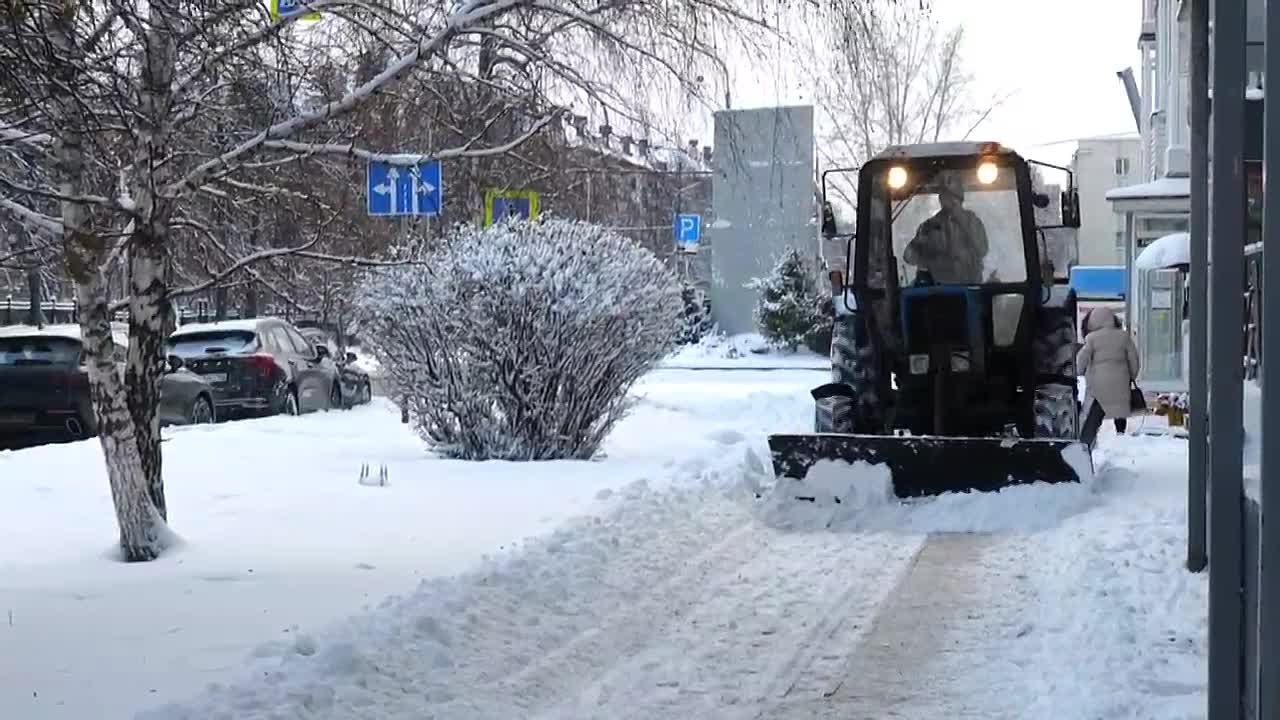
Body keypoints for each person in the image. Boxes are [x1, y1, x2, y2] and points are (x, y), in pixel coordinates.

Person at [902, 172, 990, 284]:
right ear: (941, 198)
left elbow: (982, 249)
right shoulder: (928, 227)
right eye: (945, 195)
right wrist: (919, 242)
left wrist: (962, 221)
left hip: (970, 289)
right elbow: (910, 258)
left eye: (953, 197)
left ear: (960, 198)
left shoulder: (972, 222)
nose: (949, 201)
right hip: (937, 292)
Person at [1076, 306, 1140, 446]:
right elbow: (1134, 359)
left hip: (1098, 381)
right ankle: (1120, 433)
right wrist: (1131, 376)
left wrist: (1078, 371)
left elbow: (1082, 358)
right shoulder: (1123, 337)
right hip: (1120, 381)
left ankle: (1093, 436)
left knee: (1096, 408)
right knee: (1120, 408)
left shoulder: (1091, 338)